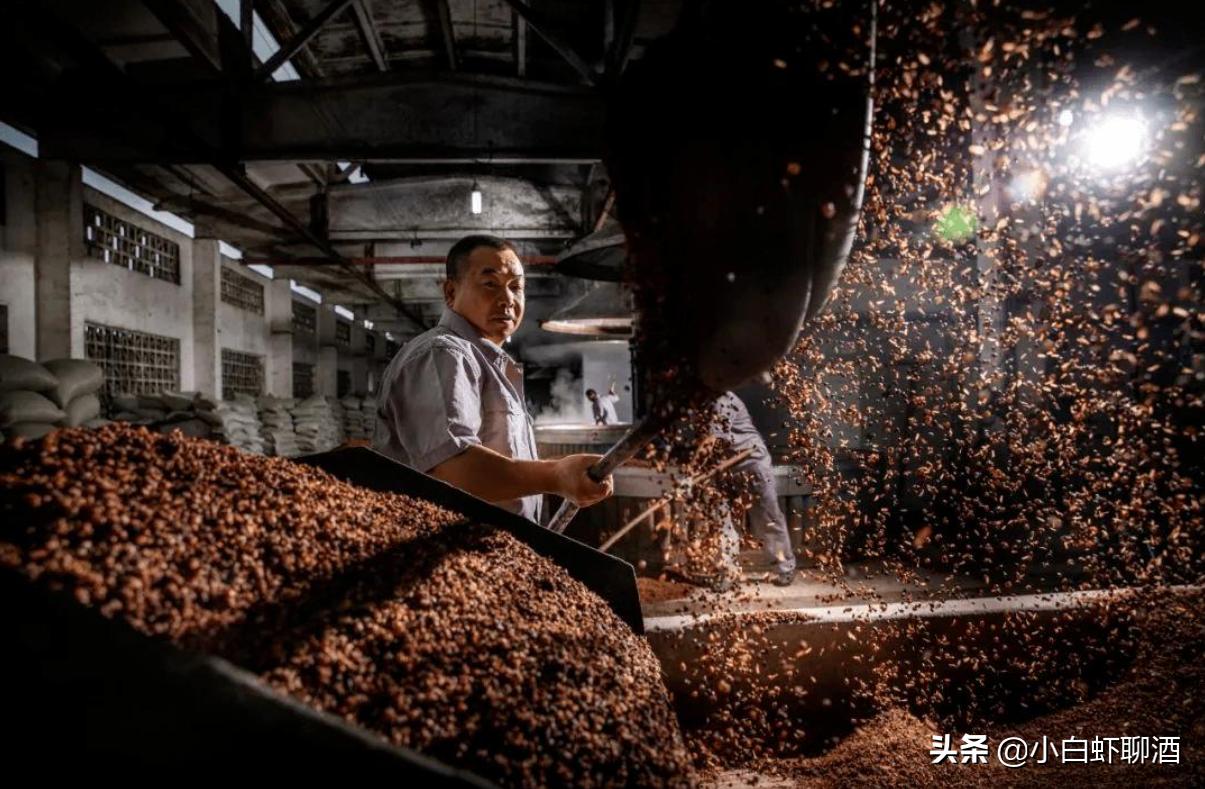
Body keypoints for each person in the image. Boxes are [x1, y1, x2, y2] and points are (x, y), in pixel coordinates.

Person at [375, 234, 613, 523]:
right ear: (450, 292)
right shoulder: (444, 354)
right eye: (491, 284)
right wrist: (555, 475)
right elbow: (455, 469)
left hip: (486, 556)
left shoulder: (485, 362)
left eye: (516, 287)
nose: (508, 299)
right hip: (448, 557)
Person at [707, 391, 797, 586]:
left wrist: (693, 467)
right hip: (726, 468)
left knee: (767, 518)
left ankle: (784, 568)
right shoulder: (701, 406)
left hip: (752, 463)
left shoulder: (723, 400)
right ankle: (726, 571)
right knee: (721, 517)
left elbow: (711, 441)